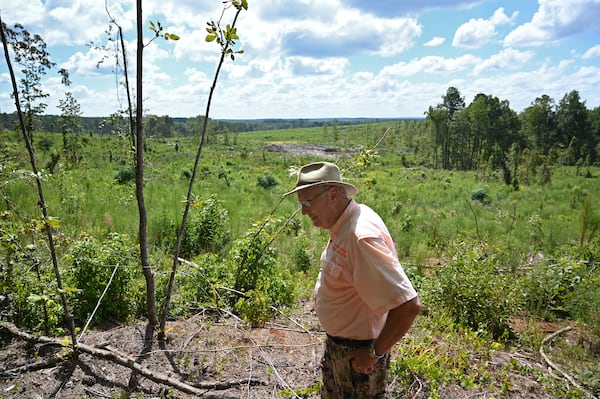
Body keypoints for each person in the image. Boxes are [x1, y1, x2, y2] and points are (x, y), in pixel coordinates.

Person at [284, 161, 421, 398]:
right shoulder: (345, 223)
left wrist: (373, 354)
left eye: (307, 202)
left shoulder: (360, 238)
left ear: (333, 195)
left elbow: (408, 306)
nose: (304, 211)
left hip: (358, 357)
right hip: (340, 349)